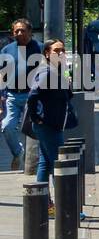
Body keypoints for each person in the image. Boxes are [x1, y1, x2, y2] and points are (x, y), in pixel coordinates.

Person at [26, 40, 75, 211]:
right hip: (48, 126)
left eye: (63, 50)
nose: (61, 53)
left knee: (46, 163)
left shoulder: (57, 72)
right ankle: (65, 208)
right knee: (58, 165)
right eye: (56, 51)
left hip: (51, 124)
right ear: (47, 53)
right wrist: (35, 117)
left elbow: (67, 96)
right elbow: (32, 96)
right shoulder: (47, 72)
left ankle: (43, 203)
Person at [1, 18, 41, 170]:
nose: (19, 33)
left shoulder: (39, 48)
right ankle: (18, 152)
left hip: (32, 96)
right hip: (12, 96)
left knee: (35, 129)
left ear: (30, 32)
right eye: (16, 30)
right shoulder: (7, 50)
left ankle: (39, 163)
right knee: (7, 126)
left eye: (22, 30)